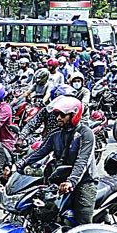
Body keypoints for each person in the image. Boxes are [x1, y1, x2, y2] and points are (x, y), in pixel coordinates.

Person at [10, 96, 98, 225]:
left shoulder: (85, 133)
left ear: (74, 115)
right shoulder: (56, 134)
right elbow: (39, 152)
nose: (58, 118)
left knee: (82, 222)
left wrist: (71, 181)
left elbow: (83, 160)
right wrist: (17, 165)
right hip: (60, 179)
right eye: (57, 114)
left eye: (63, 115)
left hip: (84, 181)